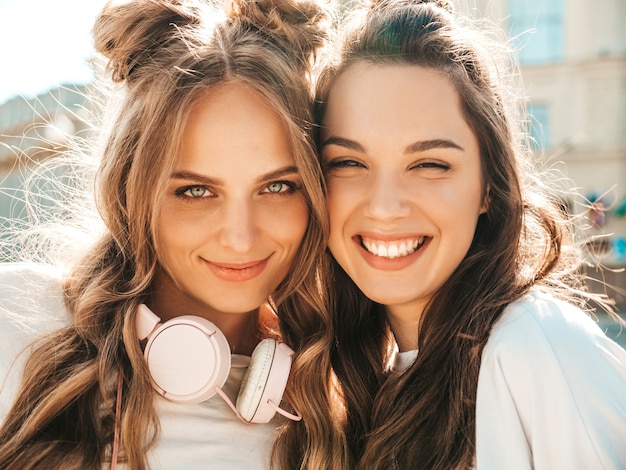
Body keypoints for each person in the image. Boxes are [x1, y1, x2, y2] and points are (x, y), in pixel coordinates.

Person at [0, 0, 339, 468]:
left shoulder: (333, 404)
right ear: (132, 193)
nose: (240, 238)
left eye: (277, 186)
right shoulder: (17, 319)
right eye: (196, 191)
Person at [314, 0, 626, 468]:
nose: (383, 206)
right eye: (348, 163)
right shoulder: (357, 377)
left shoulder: (537, 350)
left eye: (430, 164)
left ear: (488, 187)